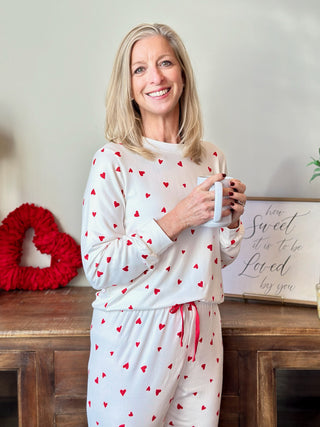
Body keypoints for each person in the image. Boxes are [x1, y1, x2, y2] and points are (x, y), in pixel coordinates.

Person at [81, 23, 246, 427]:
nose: (155, 77)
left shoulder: (211, 157)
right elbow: (99, 267)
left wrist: (232, 221)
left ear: (183, 75)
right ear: (128, 87)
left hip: (203, 327)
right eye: (139, 69)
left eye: (165, 63)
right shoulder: (113, 159)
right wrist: (176, 219)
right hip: (134, 331)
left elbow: (218, 259)